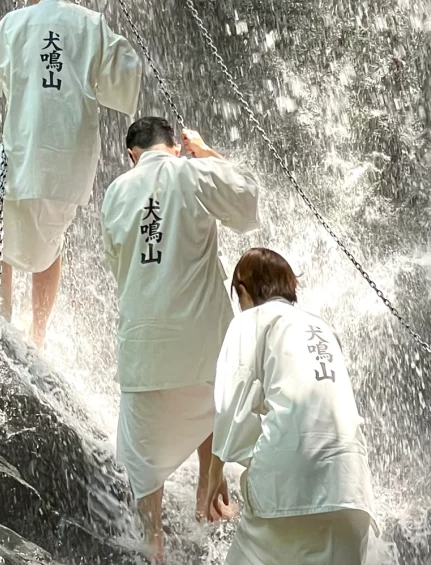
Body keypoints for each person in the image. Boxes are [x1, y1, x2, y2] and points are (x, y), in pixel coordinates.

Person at [0, 0, 143, 348]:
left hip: (22, 152)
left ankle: (1, 322)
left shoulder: (15, 23)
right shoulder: (91, 23)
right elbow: (128, 70)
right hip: (69, 164)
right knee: (51, 242)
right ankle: (39, 335)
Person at [101, 115, 260, 562]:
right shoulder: (192, 172)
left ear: (132, 155)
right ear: (174, 146)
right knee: (213, 401)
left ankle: (154, 544)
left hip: (143, 355)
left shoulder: (116, 191)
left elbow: (117, 263)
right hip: (204, 352)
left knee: (143, 463)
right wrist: (206, 151)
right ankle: (209, 498)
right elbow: (246, 203)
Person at [201, 248, 376, 565]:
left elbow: (230, 401)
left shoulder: (250, 321)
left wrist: (215, 470)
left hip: (286, 490)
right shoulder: (323, 328)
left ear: (243, 289)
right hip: (351, 492)